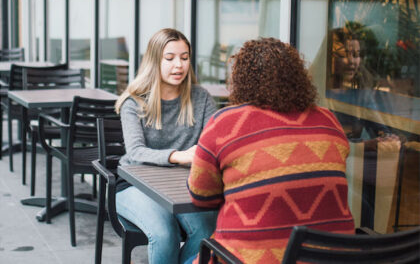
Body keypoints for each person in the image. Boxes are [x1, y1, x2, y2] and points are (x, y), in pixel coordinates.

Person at [186, 38, 355, 263]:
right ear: (298, 78)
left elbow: (201, 196)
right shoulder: (328, 120)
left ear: (241, 81)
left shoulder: (225, 125)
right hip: (332, 258)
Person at [115, 28, 218, 264]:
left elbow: (214, 144)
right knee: (164, 234)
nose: (178, 66)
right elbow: (136, 152)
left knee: (207, 231)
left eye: (184, 57)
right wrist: (178, 156)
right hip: (134, 185)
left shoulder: (201, 98)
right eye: (169, 58)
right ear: (154, 61)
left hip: (184, 185)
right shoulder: (135, 102)